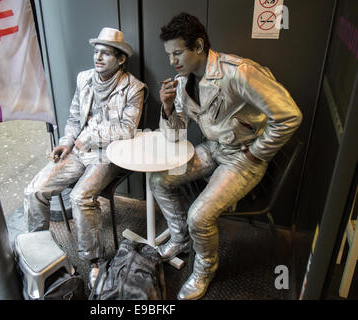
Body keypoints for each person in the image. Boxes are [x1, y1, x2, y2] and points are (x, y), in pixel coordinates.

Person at [151, 13, 302, 300]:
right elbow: (175, 134)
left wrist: (257, 152)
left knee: (199, 215)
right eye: (169, 55)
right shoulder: (184, 82)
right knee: (159, 180)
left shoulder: (239, 71)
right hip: (214, 148)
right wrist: (168, 107)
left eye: (177, 53)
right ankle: (180, 239)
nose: (172, 62)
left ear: (198, 45)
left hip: (243, 157)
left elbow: (289, 116)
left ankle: (205, 268)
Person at [23, 27, 147, 287]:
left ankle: (94, 261)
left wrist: (90, 137)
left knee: (80, 197)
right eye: (96, 52)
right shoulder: (84, 79)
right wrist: (66, 142)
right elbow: (73, 118)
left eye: (105, 54)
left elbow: (126, 129)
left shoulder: (134, 87)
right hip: (79, 150)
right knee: (34, 190)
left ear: (121, 59)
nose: (98, 58)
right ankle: (38, 250)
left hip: (109, 155)